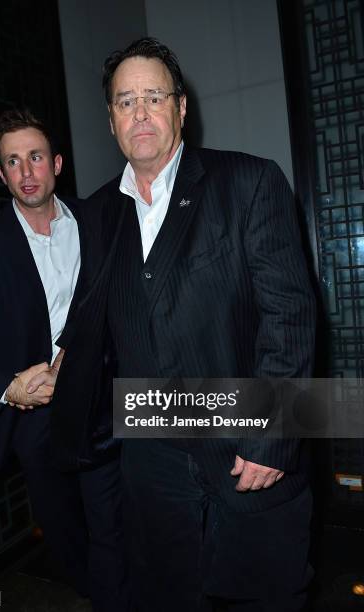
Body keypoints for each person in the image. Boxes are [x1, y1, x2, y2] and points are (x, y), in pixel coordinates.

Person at [36, 38, 317, 612]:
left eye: (153, 96)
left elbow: (289, 315)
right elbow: (91, 315)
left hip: (246, 448)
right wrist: (52, 366)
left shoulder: (249, 183)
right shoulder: (98, 214)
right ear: (111, 121)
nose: (139, 112)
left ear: (181, 109)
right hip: (152, 466)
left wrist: (272, 438)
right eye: (124, 101)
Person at [0, 109, 129, 612]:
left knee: (114, 526)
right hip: (34, 421)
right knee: (67, 538)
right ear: (1, 173)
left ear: (56, 163)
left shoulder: (98, 221)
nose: (26, 172)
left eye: (35, 157)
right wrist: (7, 386)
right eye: (13, 161)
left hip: (104, 403)